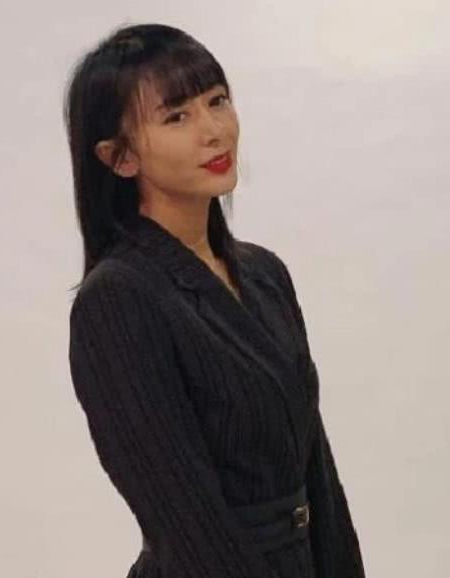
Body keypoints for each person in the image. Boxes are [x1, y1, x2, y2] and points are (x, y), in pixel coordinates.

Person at [64, 22, 365, 578]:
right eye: (176, 116)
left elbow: (318, 473)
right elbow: (183, 520)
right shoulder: (119, 300)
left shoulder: (264, 274)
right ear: (120, 157)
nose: (213, 131)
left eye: (217, 101)